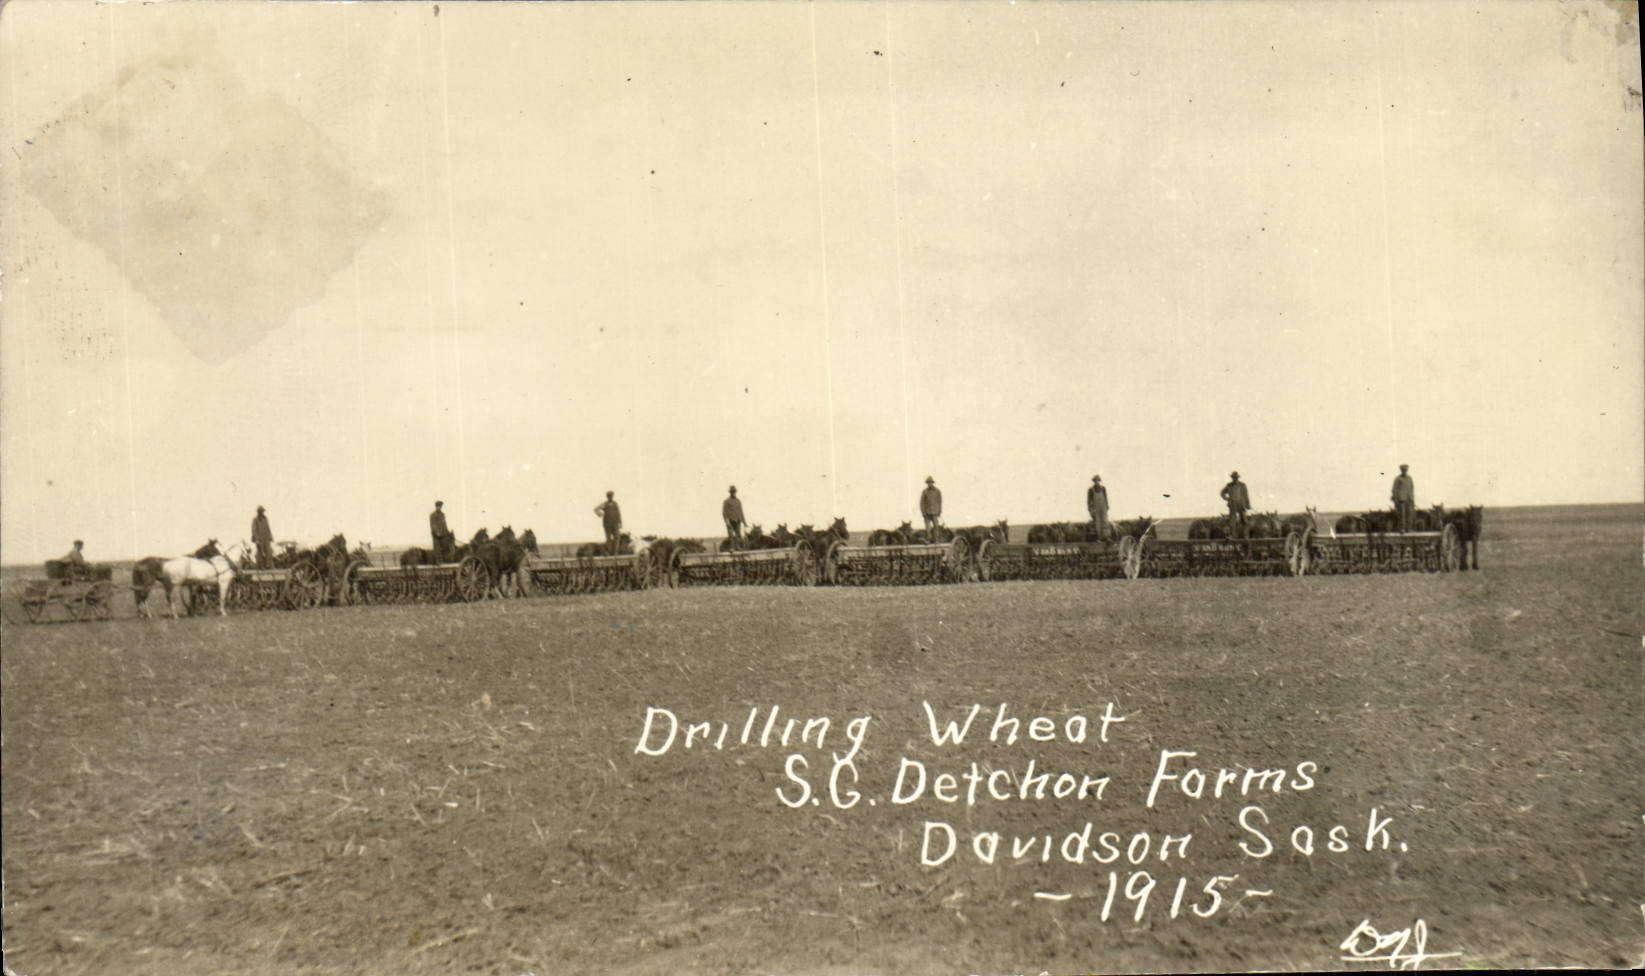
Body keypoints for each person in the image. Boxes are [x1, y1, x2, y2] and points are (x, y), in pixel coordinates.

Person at [1220, 471, 1250, 538]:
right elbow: (1222, 493)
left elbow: (1246, 495)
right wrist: (1228, 499)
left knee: (1244, 521)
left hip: (1241, 505)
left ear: (1238, 478)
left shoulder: (1242, 485)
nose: (1235, 479)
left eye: (1236, 477)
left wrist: (1248, 505)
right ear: (1232, 478)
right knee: (1232, 521)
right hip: (1233, 505)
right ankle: (1232, 535)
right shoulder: (1229, 485)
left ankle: (1246, 536)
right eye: (1233, 477)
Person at [594, 491, 623, 555]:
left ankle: (615, 552)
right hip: (607, 524)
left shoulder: (615, 504)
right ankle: (610, 552)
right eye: (609, 496)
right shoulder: (604, 504)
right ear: (607, 497)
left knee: (617, 537)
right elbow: (596, 509)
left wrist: (620, 523)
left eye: (611, 496)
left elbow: (618, 513)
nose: (610, 497)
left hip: (615, 523)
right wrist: (600, 514)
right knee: (608, 538)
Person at [1391, 464, 1416, 533]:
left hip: (1409, 499)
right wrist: (1395, 500)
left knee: (1409, 515)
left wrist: (1412, 499)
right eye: (1403, 470)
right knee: (1402, 515)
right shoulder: (1398, 479)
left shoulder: (1410, 478)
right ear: (1401, 470)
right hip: (1401, 500)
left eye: (1406, 470)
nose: (1404, 471)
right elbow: (1394, 489)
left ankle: (1409, 529)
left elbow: (1412, 488)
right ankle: (1402, 529)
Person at [722, 486, 746, 550]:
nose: (733, 493)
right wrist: (727, 522)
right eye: (732, 492)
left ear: (736, 492)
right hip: (730, 521)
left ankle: (738, 547)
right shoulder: (726, 501)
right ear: (730, 492)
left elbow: (741, 512)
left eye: (734, 492)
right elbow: (724, 513)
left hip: (738, 520)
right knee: (731, 535)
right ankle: (732, 548)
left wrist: (744, 522)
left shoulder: (738, 501)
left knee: (738, 535)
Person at [1087, 475, 1110, 540]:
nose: (1096, 482)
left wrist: (1107, 506)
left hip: (1103, 507)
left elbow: (1105, 498)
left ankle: (1106, 537)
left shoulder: (1103, 489)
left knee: (1105, 521)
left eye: (1097, 481)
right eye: (1095, 481)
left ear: (1099, 481)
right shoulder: (1091, 490)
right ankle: (1099, 538)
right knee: (1097, 523)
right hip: (1095, 508)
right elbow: (1089, 500)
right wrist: (1090, 509)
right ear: (1093, 482)